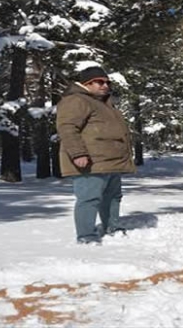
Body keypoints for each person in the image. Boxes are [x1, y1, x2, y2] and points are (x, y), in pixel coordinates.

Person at [56, 66, 136, 245]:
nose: (105, 85)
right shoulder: (76, 100)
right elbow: (67, 127)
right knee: (89, 198)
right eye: (99, 82)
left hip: (111, 161)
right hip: (90, 161)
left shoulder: (103, 103)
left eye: (107, 82)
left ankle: (112, 227)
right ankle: (86, 236)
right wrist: (78, 153)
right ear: (87, 83)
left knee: (113, 197)